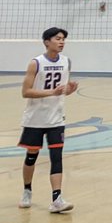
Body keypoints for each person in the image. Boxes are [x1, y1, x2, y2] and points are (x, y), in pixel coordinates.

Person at [18, 26, 79, 212]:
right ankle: (27, 190)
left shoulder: (66, 61)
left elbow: (61, 90)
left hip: (56, 119)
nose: (61, 42)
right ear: (47, 42)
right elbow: (25, 92)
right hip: (35, 119)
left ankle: (57, 198)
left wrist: (69, 90)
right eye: (57, 38)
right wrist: (51, 92)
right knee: (31, 157)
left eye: (63, 39)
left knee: (57, 158)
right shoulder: (35, 63)